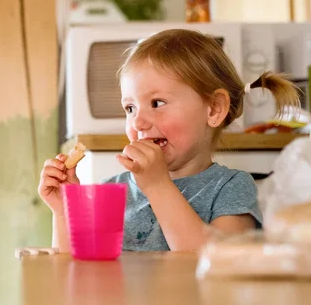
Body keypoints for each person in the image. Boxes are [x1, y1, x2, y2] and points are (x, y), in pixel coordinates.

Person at [38, 29, 301, 251]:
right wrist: (64, 212)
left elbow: (218, 261)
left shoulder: (231, 188)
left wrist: (157, 186)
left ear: (213, 109)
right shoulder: (113, 191)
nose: (139, 122)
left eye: (157, 102)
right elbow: (75, 268)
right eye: (130, 109)